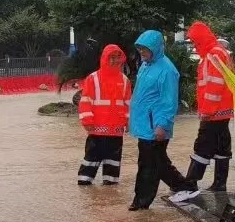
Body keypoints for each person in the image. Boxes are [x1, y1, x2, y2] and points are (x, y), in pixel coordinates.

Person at [127, 29, 199, 210]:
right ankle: (183, 186)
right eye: (140, 49)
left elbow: (169, 102)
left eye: (145, 49)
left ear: (155, 48)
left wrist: (162, 125)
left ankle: (142, 202)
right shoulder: (145, 66)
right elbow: (140, 96)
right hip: (144, 125)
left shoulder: (167, 70)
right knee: (155, 162)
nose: (141, 52)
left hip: (155, 126)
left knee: (151, 165)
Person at [183, 21, 235, 196]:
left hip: (214, 112)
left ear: (202, 40)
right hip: (223, 111)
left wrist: (207, 110)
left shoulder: (213, 54)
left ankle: (190, 183)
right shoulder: (217, 53)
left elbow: (215, 85)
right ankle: (219, 184)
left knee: (203, 145)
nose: (195, 47)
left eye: (196, 43)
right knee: (221, 146)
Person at [75, 44, 131, 187]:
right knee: (91, 159)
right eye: (112, 57)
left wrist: (129, 122)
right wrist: (87, 121)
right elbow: (86, 102)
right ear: (105, 58)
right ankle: (84, 183)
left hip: (116, 131)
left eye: (118, 58)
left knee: (113, 163)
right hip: (96, 129)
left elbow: (128, 104)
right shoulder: (92, 79)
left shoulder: (124, 80)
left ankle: (110, 188)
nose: (115, 61)